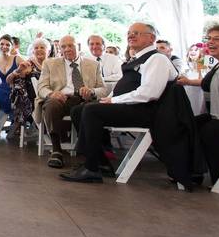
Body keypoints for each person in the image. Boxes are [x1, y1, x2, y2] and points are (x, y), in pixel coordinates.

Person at [61, 22, 178, 183]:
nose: (131, 35)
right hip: (131, 107)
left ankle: (91, 167)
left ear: (151, 38)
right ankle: (101, 162)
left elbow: (150, 93)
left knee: (91, 111)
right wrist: (108, 98)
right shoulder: (138, 58)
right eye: (130, 32)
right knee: (78, 110)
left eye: (137, 33)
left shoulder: (157, 59)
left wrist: (113, 100)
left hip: (146, 111)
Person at [177, 24, 219, 190]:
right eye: (209, 39)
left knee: (209, 132)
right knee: (188, 125)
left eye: (217, 39)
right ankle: (194, 172)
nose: (211, 42)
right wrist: (187, 82)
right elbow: (210, 82)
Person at [36, 36, 107, 168]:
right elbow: (41, 87)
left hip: (83, 100)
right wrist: (52, 93)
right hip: (61, 99)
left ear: (78, 47)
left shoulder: (93, 65)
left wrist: (91, 91)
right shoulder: (50, 64)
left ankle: (90, 153)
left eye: (71, 46)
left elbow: (103, 90)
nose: (67, 49)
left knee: (89, 110)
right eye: (63, 46)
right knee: (51, 105)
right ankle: (56, 150)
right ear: (59, 49)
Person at [8, 37, 50, 140]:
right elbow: (9, 80)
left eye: (42, 47)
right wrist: (18, 70)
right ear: (33, 51)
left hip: (49, 95)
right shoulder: (28, 64)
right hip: (31, 100)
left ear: (48, 51)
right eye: (36, 48)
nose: (39, 50)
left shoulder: (52, 64)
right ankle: (39, 128)